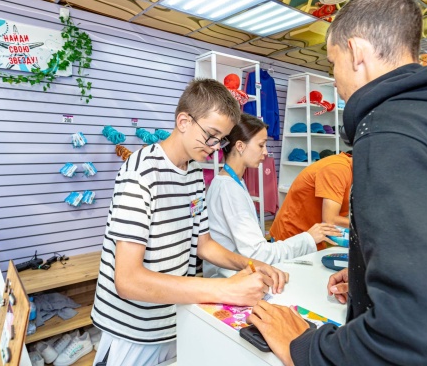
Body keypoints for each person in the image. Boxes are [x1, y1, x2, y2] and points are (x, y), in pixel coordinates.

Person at [248, 0, 427, 365]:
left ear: (356, 52)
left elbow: (419, 333)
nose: (335, 79)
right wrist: (370, 277)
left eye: (333, 62)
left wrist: (306, 348)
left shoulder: (389, 129)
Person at [90, 78, 289, 366]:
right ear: (183, 121)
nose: (215, 147)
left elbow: (203, 244)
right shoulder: (140, 174)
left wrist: (249, 263)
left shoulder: (194, 172)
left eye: (221, 139)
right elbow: (128, 280)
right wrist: (225, 290)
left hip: (174, 318)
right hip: (133, 330)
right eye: (211, 135)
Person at [204, 113, 341, 278]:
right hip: (231, 279)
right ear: (240, 146)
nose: (266, 152)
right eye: (261, 145)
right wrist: (308, 238)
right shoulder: (229, 189)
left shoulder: (232, 182)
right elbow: (259, 255)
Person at [269, 152, 352, 250]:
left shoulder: (356, 174)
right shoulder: (337, 169)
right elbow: (330, 220)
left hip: (315, 237)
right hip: (292, 238)